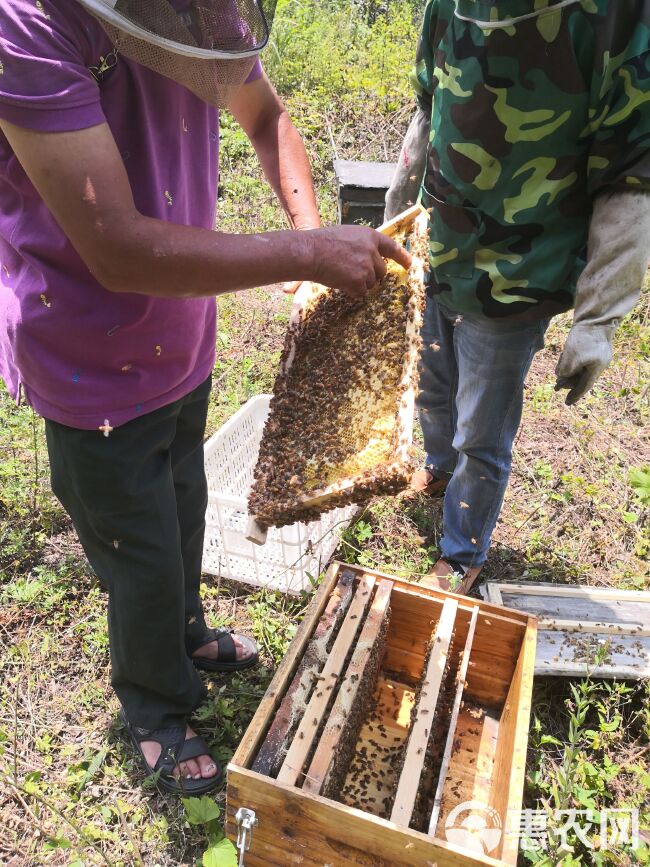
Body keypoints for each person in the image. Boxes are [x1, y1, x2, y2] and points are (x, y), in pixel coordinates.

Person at [0, 0, 411, 794]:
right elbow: (116, 246)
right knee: (139, 551)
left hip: (181, 335)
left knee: (183, 506)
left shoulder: (198, 10)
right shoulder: (27, 25)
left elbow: (265, 118)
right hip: (89, 359)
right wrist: (307, 250)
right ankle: (154, 706)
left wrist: (310, 242)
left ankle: (182, 635)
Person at [386, 0, 650, 594]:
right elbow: (427, 111)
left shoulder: (617, 19)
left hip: (517, 280)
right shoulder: (451, 7)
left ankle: (462, 550)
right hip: (434, 252)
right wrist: (395, 214)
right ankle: (436, 468)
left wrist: (598, 321)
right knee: (429, 386)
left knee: (480, 429)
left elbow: (632, 176)